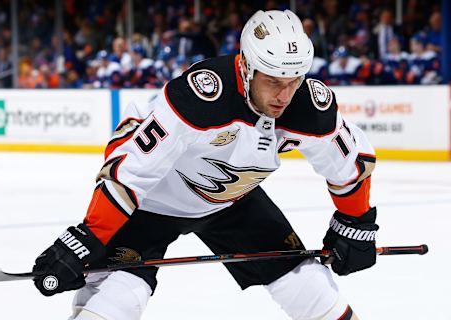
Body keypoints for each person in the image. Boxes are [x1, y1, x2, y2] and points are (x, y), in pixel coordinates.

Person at [32, 9, 378, 320]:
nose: (284, 96)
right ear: (246, 66)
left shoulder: (307, 105)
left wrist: (355, 223)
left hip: (233, 198)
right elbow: (131, 173)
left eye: (293, 81)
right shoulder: (199, 98)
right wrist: (87, 237)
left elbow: (348, 164)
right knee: (118, 297)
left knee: (308, 285)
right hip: (152, 199)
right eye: (273, 81)